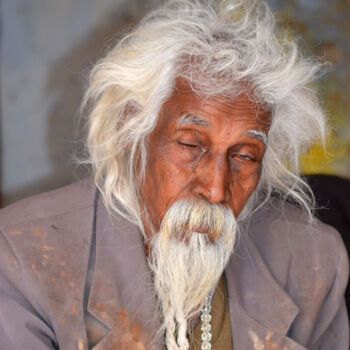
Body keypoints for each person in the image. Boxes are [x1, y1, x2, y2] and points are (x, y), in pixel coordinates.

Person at [0, 0, 348, 349]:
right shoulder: (23, 258)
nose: (215, 189)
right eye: (191, 145)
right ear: (131, 131)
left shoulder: (313, 261)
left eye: (244, 155)